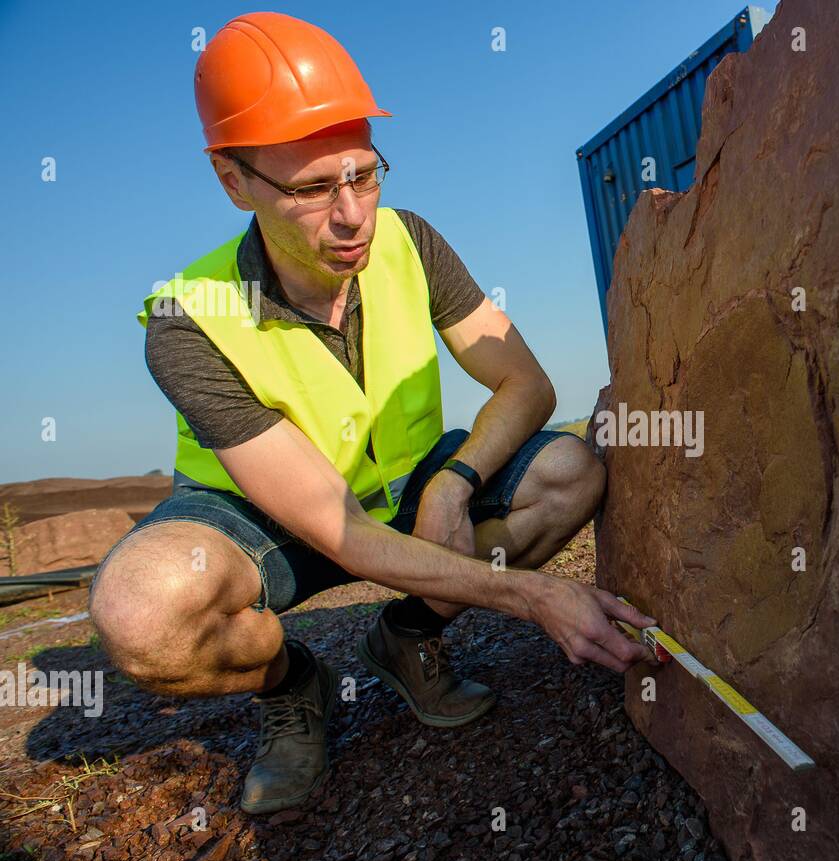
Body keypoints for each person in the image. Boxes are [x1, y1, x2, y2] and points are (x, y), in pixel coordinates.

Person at [88, 11, 656, 816]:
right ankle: (295, 683)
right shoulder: (188, 319)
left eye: (364, 173)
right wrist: (531, 596)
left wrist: (455, 482)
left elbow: (527, 384)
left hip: (402, 489)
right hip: (265, 521)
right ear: (233, 179)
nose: (354, 214)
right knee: (140, 610)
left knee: (569, 471)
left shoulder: (409, 241)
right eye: (315, 188)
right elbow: (337, 528)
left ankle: (406, 638)